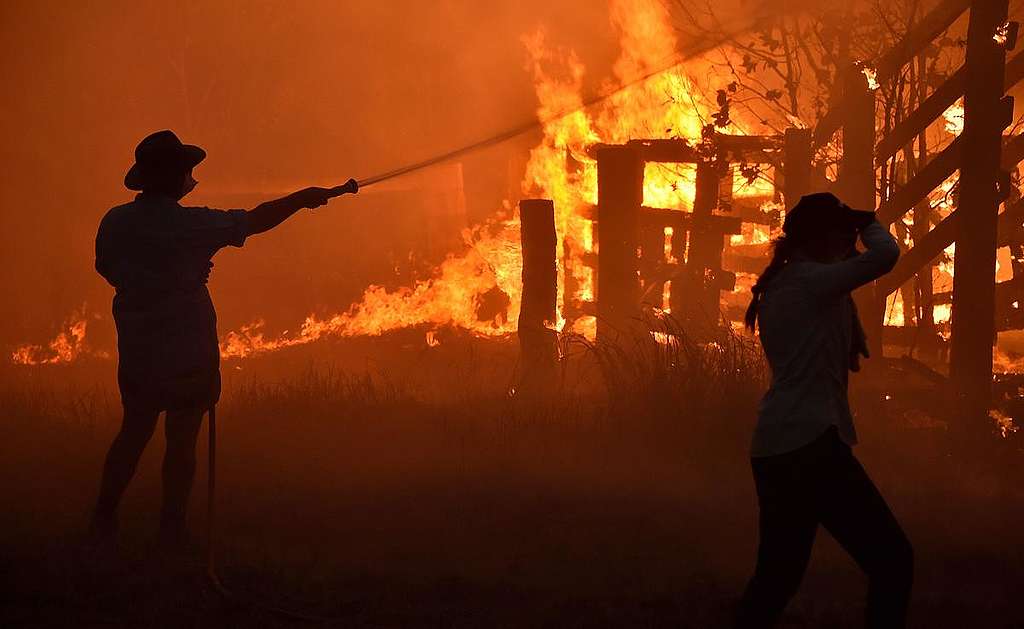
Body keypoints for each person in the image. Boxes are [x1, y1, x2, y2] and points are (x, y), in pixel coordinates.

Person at [90, 130, 357, 548]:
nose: (191, 178)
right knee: (182, 439)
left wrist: (160, 281)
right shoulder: (190, 225)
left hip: (138, 347)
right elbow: (256, 219)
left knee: (134, 431)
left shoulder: (115, 221)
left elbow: (106, 268)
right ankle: (172, 529)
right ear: (175, 176)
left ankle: (103, 520)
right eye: (186, 171)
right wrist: (303, 198)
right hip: (185, 349)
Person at [736, 192, 913, 628]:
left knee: (777, 577)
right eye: (840, 233)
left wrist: (851, 327)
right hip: (810, 446)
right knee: (893, 559)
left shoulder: (789, 281)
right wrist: (867, 220)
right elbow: (886, 254)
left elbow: (836, 293)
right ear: (820, 237)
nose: (846, 242)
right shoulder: (810, 282)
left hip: (777, 446)